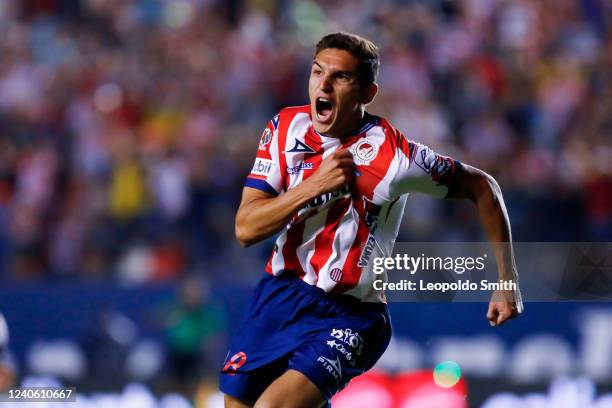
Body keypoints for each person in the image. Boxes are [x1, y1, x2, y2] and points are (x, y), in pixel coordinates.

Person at [220, 32, 523, 408]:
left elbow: (483, 187)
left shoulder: (395, 157)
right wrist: (313, 187)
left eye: (341, 77)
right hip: (279, 294)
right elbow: (245, 229)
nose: (324, 85)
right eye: (317, 72)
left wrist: (506, 280)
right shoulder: (285, 129)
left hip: (352, 315)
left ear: (367, 93)